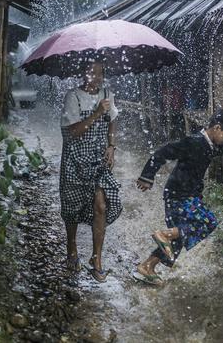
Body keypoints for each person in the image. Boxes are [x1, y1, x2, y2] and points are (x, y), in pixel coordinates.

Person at [133, 109, 223, 285]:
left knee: (178, 240)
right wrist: (147, 177)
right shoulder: (193, 142)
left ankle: (147, 267)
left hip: (188, 195)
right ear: (217, 128)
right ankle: (163, 235)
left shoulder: (211, 144)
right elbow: (162, 153)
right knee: (208, 222)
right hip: (178, 195)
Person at [60, 61, 121, 282]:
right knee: (72, 207)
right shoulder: (72, 97)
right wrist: (96, 113)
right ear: (81, 73)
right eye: (89, 72)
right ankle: (72, 248)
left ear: (103, 75)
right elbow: (71, 133)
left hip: (98, 160)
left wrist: (111, 146)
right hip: (75, 160)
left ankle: (96, 259)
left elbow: (113, 120)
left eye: (98, 73)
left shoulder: (107, 94)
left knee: (101, 205)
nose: (93, 77)